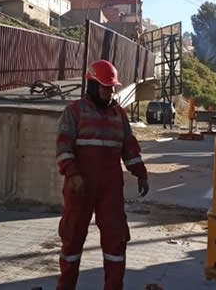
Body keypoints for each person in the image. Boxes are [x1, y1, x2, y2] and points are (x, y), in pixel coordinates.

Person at [56, 60, 149, 290]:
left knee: (116, 241)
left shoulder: (119, 114)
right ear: (92, 85)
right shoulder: (74, 112)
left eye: (111, 87)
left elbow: (129, 147)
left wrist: (140, 173)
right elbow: (63, 148)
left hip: (110, 190)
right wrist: (72, 173)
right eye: (105, 87)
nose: (110, 92)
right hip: (80, 187)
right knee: (72, 240)